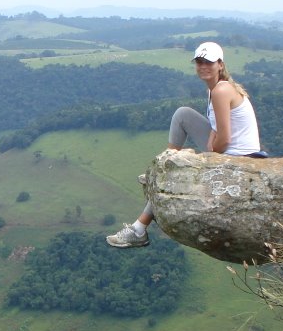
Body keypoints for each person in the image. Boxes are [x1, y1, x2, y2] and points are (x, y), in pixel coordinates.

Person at [106, 41, 263, 248]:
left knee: (173, 175)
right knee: (183, 114)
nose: (203, 66)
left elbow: (225, 140)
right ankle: (165, 166)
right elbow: (218, 128)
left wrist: (208, 156)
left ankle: (139, 228)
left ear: (220, 65)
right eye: (199, 62)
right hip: (230, 151)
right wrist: (210, 146)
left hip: (240, 157)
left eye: (208, 62)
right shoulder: (216, 89)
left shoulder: (221, 90)